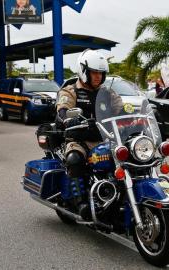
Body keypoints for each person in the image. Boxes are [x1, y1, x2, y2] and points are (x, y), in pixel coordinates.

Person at [56, 49, 123, 219]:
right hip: (80, 139)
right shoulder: (70, 91)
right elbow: (63, 109)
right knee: (74, 158)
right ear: (84, 71)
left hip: (105, 138)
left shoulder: (108, 93)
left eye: (101, 73)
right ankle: (80, 203)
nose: (98, 77)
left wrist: (140, 116)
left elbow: (121, 110)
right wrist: (67, 119)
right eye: (94, 72)